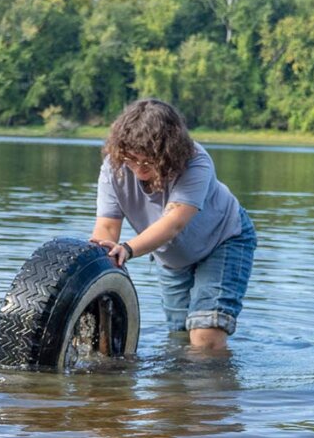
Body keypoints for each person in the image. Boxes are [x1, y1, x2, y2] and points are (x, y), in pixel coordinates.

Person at [91, 98, 256, 350]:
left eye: (147, 161)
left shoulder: (196, 162)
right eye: (131, 158)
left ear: (168, 151)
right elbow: (107, 228)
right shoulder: (115, 167)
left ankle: (214, 388)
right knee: (179, 338)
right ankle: (178, 390)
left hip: (223, 241)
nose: (137, 167)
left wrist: (128, 248)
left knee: (205, 336)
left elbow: (174, 223)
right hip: (172, 257)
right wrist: (99, 263)